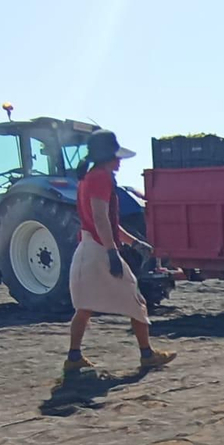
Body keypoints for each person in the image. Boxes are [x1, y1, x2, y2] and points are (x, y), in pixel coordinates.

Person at [65, 130, 177, 377]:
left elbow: (108, 223)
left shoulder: (88, 178)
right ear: (108, 156)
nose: (119, 162)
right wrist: (113, 253)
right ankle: (147, 354)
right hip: (98, 249)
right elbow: (100, 218)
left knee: (84, 307)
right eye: (116, 157)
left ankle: (73, 357)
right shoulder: (100, 178)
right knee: (136, 301)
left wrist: (135, 242)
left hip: (87, 248)